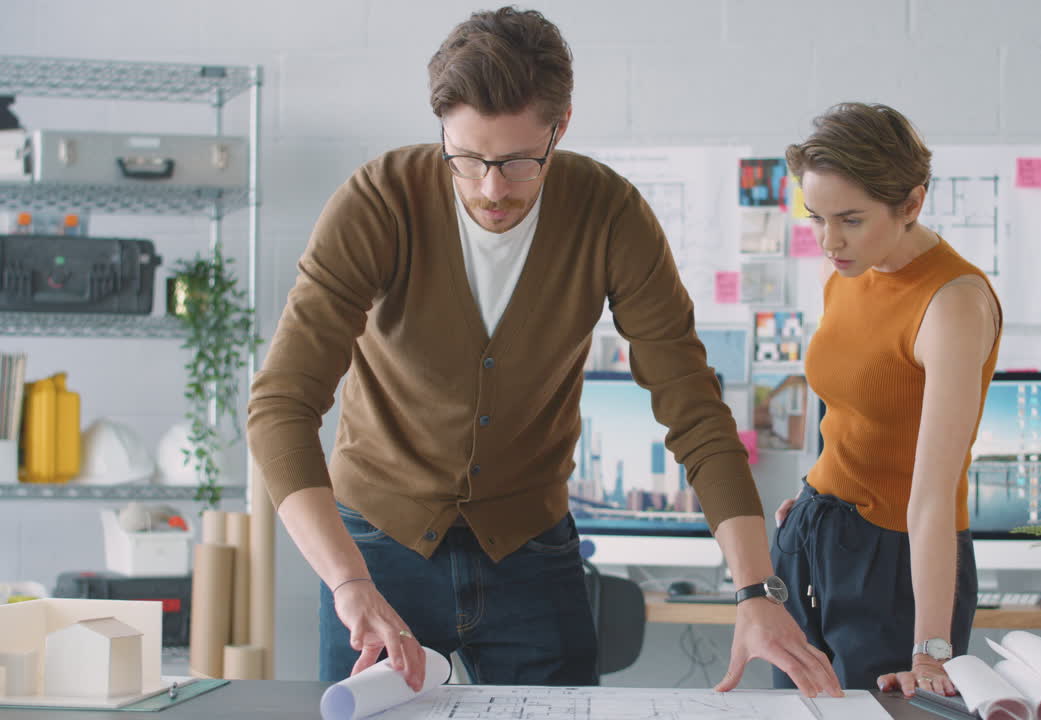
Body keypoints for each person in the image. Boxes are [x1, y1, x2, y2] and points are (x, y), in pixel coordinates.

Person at [246, 6, 841, 697]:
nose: (492, 188)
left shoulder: (609, 213)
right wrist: (348, 582)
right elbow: (281, 407)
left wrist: (753, 590)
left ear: (561, 127)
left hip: (530, 551)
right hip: (378, 549)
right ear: (440, 128)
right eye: (466, 158)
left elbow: (694, 409)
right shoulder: (381, 201)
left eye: (520, 161)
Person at [772, 103, 1002, 697]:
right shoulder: (848, 272)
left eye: (849, 218)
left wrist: (931, 652)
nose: (829, 240)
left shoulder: (952, 301)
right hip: (812, 540)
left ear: (911, 204)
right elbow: (851, 408)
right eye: (816, 217)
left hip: (898, 564)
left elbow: (932, 495)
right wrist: (814, 495)